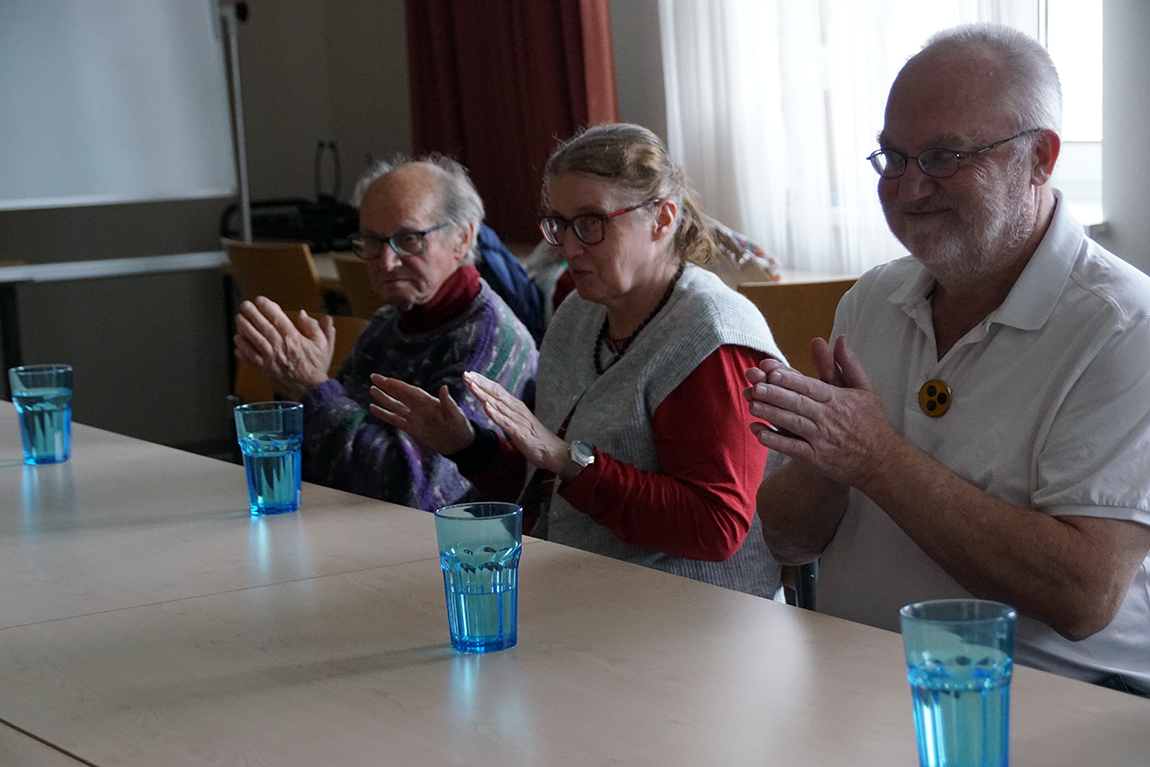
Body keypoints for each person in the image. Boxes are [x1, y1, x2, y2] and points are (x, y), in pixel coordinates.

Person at [745, 24, 1150, 694]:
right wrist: (825, 464)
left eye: (942, 157)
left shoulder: (1124, 327)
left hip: (1053, 709)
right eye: (892, 158)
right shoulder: (871, 299)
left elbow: (1084, 595)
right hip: (858, 686)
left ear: (1040, 159)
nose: (908, 190)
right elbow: (788, 543)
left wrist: (875, 457)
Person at [371, 123, 785, 597]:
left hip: (697, 619)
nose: (567, 247)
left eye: (591, 223)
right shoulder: (578, 314)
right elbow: (558, 492)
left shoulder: (712, 336)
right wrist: (469, 446)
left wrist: (568, 460)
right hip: (589, 591)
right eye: (559, 224)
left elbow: (714, 528)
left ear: (663, 219)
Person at [233, 155, 538, 512]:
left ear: (463, 237)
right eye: (372, 242)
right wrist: (297, 388)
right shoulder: (388, 324)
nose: (385, 262)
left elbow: (409, 490)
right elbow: (322, 463)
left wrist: (311, 388)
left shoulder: (488, 341)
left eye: (408, 239)